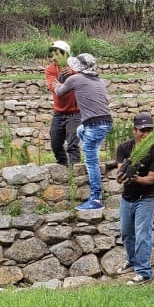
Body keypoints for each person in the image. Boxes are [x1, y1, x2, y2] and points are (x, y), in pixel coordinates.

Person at [112, 112, 154, 283]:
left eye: (149, 130)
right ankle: (132, 261)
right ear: (134, 130)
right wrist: (122, 176)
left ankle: (144, 272)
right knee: (126, 233)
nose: (145, 134)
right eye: (142, 130)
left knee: (143, 234)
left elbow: (151, 179)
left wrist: (136, 178)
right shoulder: (124, 148)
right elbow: (120, 172)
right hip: (127, 197)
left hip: (146, 197)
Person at [57, 52, 112, 211]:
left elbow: (60, 92)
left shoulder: (75, 79)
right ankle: (92, 149)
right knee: (81, 130)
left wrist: (55, 83)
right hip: (105, 121)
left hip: (94, 124)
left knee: (91, 160)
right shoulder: (99, 80)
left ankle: (96, 198)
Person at [44, 40, 82, 166]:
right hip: (59, 112)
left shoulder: (76, 67)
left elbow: (84, 81)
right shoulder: (50, 70)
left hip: (75, 113)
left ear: (65, 54)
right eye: (52, 55)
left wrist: (73, 75)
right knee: (55, 144)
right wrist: (62, 79)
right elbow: (53, 87)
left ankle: (75, 173)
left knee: (72, 145)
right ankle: (64, 167)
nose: (53, 58)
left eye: (57, 54)